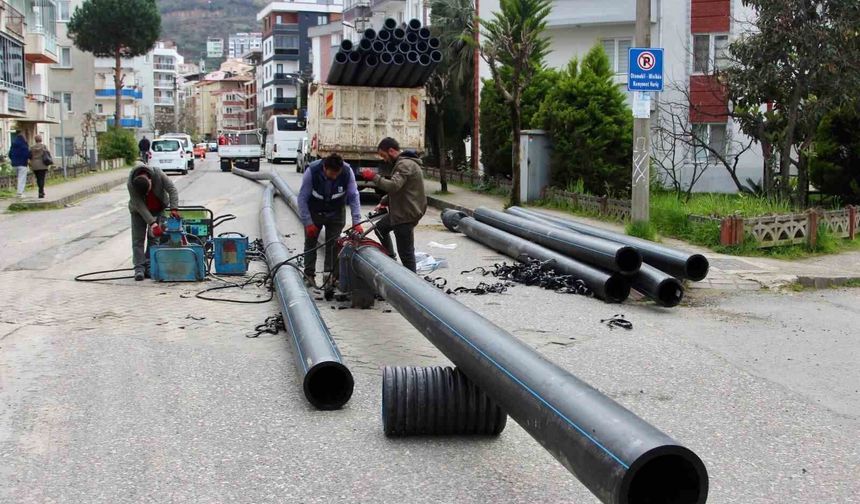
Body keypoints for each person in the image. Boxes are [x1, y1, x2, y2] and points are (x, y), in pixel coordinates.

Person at [359, 137, 427, 273]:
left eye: (384, 156)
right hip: (400, 211)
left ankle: (412, 284)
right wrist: (384, 202)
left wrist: (374, 177)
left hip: (405, 214)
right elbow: (401, 190)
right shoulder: (404, 163)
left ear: (391, 151)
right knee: (380, 228)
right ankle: (390, 259)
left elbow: (394, 186)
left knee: (406, 254)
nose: (384, 160)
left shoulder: (405, 164)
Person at [298, 153, 362, 287]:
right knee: (310, 242)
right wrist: (308, 222)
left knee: (334, 244)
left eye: (337, 174)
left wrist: (357, 222)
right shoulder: (312, 172)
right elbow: (302, 199)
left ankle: (330, 276)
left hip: (336, 211)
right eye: (332, 174)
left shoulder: (346, 172)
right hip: (315, 211)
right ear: (324, 168)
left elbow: (354, 196)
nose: (335, 177)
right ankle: (309, 275)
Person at [127, 161, 180, 281]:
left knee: (154, 239)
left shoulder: (158, 174)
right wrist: (152, 223)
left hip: (158, 209)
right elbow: (139, 204)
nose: (146, 194)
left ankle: (150, 266)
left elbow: (172, 189)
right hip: (138, 211)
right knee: (138, 239)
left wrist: (174, 208)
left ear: (150, 181)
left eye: (148, 190)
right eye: (144, 193)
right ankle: (139, 268)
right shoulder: (131, 183)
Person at [28, 135, 52, 199]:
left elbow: (29, 156)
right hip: (42, 164)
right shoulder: (44, 146)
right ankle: (41, 192)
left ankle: (41, 190)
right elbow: (48, 154)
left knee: (38, 178)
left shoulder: (32, 147)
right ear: (41, 140)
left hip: (34, 165)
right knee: (42, 178)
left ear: (35, 140)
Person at [8, 132, 30, 199]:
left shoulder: (13, 144)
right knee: (22, 178)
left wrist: (13, 160)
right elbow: (27, 154)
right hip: (22, 164)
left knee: (17, 178)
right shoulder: (24, 145)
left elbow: (10, 154)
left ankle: (17, 191)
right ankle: (20, 193)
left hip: (14, 164)